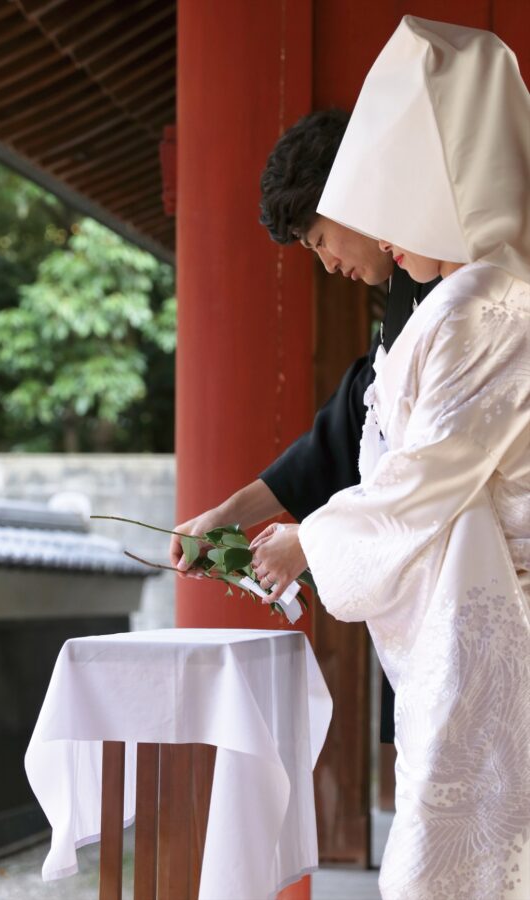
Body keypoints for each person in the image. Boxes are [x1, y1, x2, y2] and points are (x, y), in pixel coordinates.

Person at [250, 16, 530, 898]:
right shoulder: (466, 292)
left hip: (497, 613)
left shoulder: (487, 298)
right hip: (463, 611)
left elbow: (425, 475)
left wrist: (308, 542)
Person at [169, 109, 440, 743]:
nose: (327, 264)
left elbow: (433, 465)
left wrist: (311, 542)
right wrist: (228, 515)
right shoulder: (406, 289)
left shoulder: (458, 288)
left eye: (319, 241)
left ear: (352, 196)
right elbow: (348, 427)